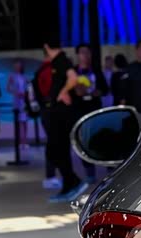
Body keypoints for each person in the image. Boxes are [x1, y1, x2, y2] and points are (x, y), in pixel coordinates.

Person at [42, 42, 89, 202]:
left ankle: (73, 182)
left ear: (47, 46)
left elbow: (73, 78)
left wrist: (62, 92)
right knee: (58, 151)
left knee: (54, 150)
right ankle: (70, 184)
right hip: (59, 115)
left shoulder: (61, 60)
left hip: (62, 115)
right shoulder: (59, 62)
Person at [74, 44, 108, 183]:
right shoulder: (74, 72)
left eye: (88, 52)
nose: (85, 56)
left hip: (95, 109)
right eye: (82, 53)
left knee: (101, 138)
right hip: (80, 110)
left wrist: (97, 92)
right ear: (78, 55)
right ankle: (89, 173)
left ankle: (108, 169)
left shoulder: (96, 71)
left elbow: (105, 89)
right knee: (84, 141)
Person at [32, 55, 61, 190]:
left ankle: (52, 175)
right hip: (51, 110)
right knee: (54, 143)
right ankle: (51, 176)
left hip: (46, 110)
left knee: (53, 143)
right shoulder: (49, 70)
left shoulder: (40, 71)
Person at [7, 59, 29, 148]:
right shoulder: (12, 76)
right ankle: (19, 141)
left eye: (19, 66)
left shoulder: (25, 77)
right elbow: (8, 88)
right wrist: (15, 93)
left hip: (24, 100)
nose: (17, 67)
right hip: (17, 100)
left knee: (25, 121)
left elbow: (29, 87)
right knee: (18, 121)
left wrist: (26, 94)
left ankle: (25, 140)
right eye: (16, 66)